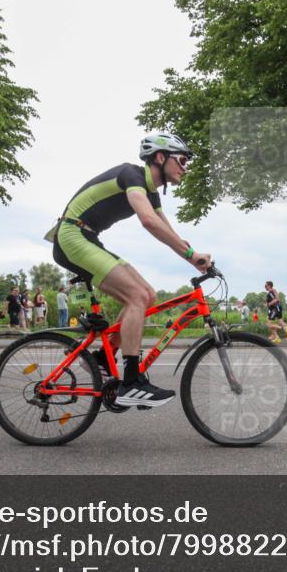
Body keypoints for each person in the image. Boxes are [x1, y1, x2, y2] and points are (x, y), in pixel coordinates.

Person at [50, 132, 210, 408]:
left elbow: (167, 230)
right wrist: (190, 255)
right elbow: (148, 221)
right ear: (161, 157)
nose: (185, 167)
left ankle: (102, 358)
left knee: (148, 295)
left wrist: (195, 258)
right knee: (136, 295)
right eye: (182, 160)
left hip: (87, 237)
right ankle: (132, 382)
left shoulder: (150, 191)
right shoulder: (132, 176)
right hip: (71, 235)